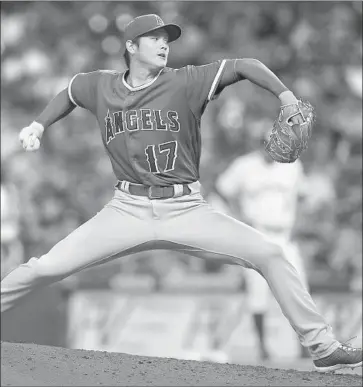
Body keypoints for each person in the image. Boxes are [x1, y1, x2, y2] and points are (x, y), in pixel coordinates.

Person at [1, 14, 361, 373]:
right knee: (43, 268)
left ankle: (323, 346)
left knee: (270, 254)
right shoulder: (101, 86)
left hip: (186, 208)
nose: (163, 45)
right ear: (130, 46)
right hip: (126, 209)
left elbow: (245, 65)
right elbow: (69, 91)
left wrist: (285, 96)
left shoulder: (186, 81)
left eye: (167, 39)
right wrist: (39, 123)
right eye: (154, 38)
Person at [215, 132, 309, 360]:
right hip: (257, 234)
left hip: (284, 235)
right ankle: (262, 346)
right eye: (265, 142)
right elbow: (221, 189)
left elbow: (303, 197)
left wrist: (299, 224)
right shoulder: (244, 165)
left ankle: (305, 347)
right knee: (258, 292)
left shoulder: (292, 164)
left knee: (298, 291)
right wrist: (237, 217)